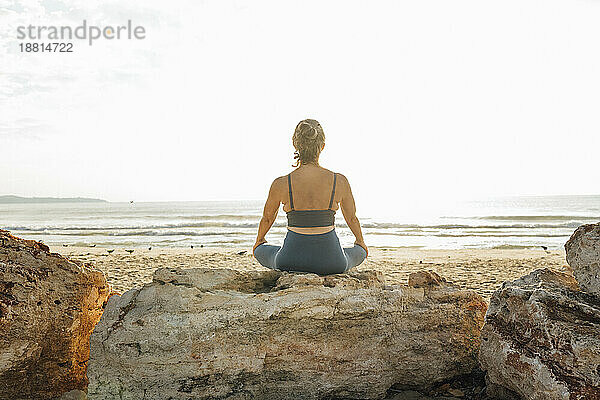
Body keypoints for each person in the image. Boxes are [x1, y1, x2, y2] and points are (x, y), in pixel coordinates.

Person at [253, 119, 368, 275]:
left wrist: (259, 241)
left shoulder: (280, 183)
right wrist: (360, 242)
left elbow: (267, 218)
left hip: (289, 260)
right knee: (359, 251)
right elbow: (352, 218)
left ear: (295, 145)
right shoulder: (339, 181)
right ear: (322, 146)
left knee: (260, 250)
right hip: (333, 262)